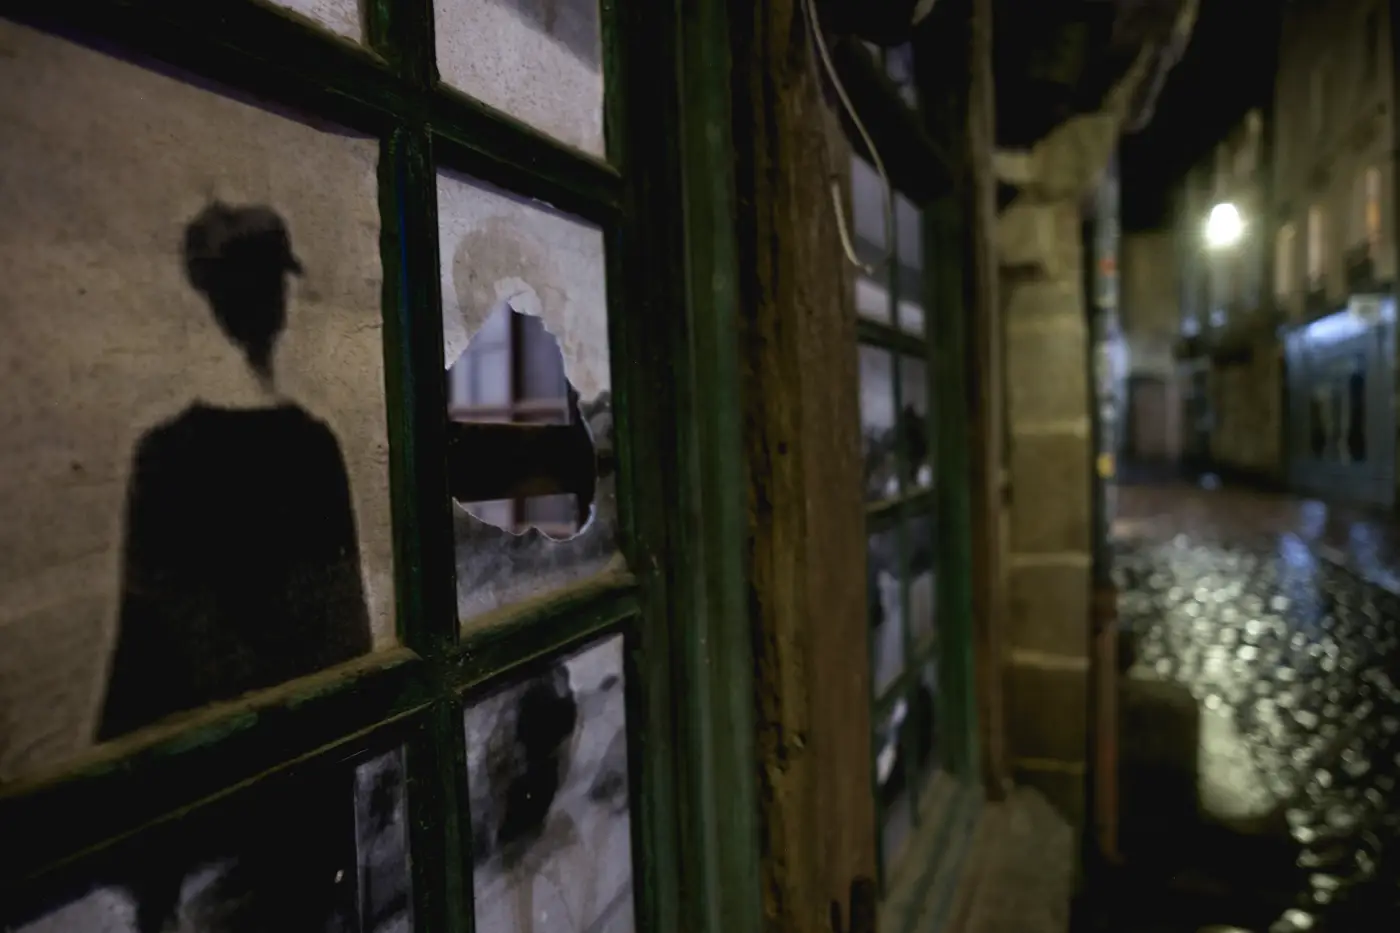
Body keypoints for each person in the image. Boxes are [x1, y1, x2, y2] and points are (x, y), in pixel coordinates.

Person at [98, 201, 373, 741]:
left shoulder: (165, 453)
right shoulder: (312, 446)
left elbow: (142, 649)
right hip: (305, 744)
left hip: (205, 752)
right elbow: (346, 634)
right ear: (280, 300)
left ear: (209, 298)